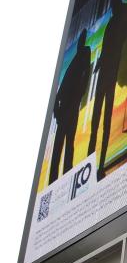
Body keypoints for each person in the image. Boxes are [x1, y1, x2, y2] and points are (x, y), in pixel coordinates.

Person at [89, 0, 127, 179]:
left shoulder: (123, 11)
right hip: (104, 71)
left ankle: (101, 163)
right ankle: (89, 164)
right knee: (96, 118)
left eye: (113, 1)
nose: (112, 6)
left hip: (112, 70)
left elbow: (122, 36)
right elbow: (107, 45)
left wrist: (110, 58)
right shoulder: (113, 18)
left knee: (105, 119)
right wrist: (100, 63)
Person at [50, 29, 91, 185]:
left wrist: (79, 94)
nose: (82, 43)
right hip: (65, 113)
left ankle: (67, 182)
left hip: (71, 110)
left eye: (83, 40)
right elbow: (57, 96)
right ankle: (54, 184)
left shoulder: (83, 57)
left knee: (69, 147)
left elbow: (85, 74)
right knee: (59, 150)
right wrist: (57, 113)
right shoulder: (72, 68)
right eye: (81, 40)